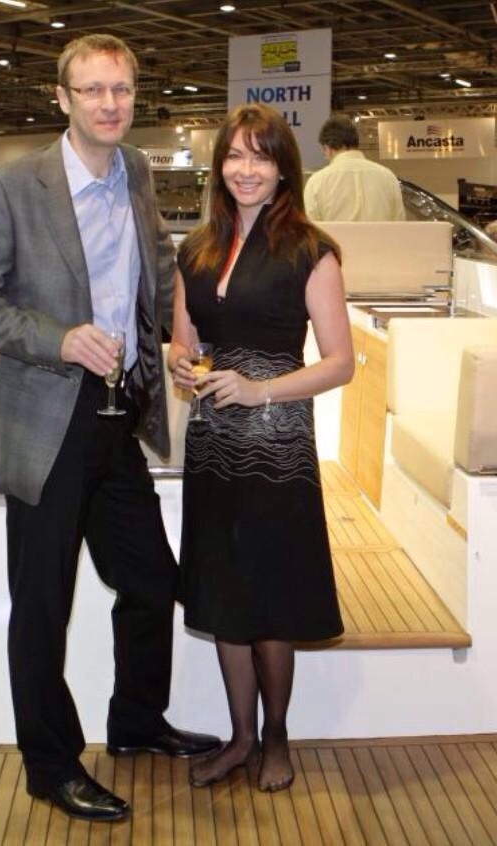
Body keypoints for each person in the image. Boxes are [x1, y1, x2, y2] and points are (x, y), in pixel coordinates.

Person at [0, 33, 220, 824]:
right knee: (43, 603)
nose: (110, 104)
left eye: (122, 90)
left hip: (118, 416)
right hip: (47, 423)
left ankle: (135, 722)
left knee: (152, 579)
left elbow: (156, 267)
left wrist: (180, 337)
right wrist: (59, 338)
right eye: (93, 90)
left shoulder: (134, 170)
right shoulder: (10, 186)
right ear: (62, 98)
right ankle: (50, 765)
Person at [168, 103, 354, 792]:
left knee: (271, 597)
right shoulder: (195, 249)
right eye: (235, 155)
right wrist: (180, 364)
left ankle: (276, 736)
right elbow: (183, 343)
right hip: (213, 448)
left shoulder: (311, 250)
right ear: (220, 164)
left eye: (261, 156)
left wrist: (260, 390)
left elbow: (341, 363)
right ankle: (240, 737)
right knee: (225, 596)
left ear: (282, 169)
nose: (246, 169)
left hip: (277, 450)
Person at [304, 115, 405, 221]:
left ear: (327, 148)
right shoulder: (388, 177)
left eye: (324, 152)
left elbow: (311, 226)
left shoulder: (317, 182)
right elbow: (399, 223)